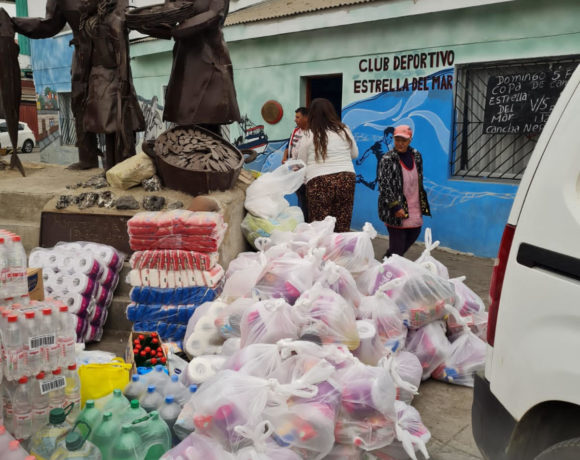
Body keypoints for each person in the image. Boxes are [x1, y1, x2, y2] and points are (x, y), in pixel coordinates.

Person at [9, 0, 145, 170]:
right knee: (79, 100)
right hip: (82, 54)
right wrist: (16, 23)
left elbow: (120, 20)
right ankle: (87, 157)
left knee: (116, 106)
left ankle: (123, 161)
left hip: (109, 54)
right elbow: (49, 25)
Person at [297, 98, 358, 232]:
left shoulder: (309, 133)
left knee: (320, 228)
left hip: (319, 181)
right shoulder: (343, 129)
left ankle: (322, 246)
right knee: (342, 224)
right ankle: (341, 245)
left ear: (312, 114)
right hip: (346, 178)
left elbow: (301, 162)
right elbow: (354, 154)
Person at [377, 124, 431, 258]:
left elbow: (419, 178)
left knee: (415, 232)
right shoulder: (387, 158)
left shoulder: (416, 155)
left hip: (414, 205)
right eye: (397, 140)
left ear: (410, 140)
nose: (400, 143)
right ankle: (391, 264)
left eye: (404, 140)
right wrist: (395, 206)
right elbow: (384, 184)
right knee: (397, 247)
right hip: (396, 206)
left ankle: (389, 260)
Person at [283, 107, 309, 220]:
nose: (295, 120)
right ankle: (304, 222)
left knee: (308, 202)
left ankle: (308, 223)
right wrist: (284, 157)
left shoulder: (312, 133)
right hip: (296, 172)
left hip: (308, 174)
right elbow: (288, 146)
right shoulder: (295, 131)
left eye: (298, 117)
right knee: (302, 199)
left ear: (306, 118)